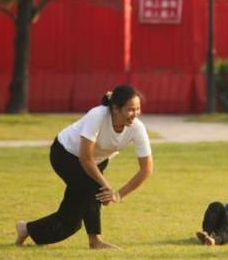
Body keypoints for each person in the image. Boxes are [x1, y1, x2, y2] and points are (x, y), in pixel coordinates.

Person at [14, 85, 153, 249]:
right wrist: (105, 185)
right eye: (130, 110)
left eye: (138, 109)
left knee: (71, 222)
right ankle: (95, 241)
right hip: (65, 154)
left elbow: (146, 169)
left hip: (96, 161)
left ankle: (26, 229)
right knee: (94, 189)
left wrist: (118, 195)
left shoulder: (137, 128)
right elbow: (86, 157)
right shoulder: (98, 115)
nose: (135, 114)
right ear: (116, 108)